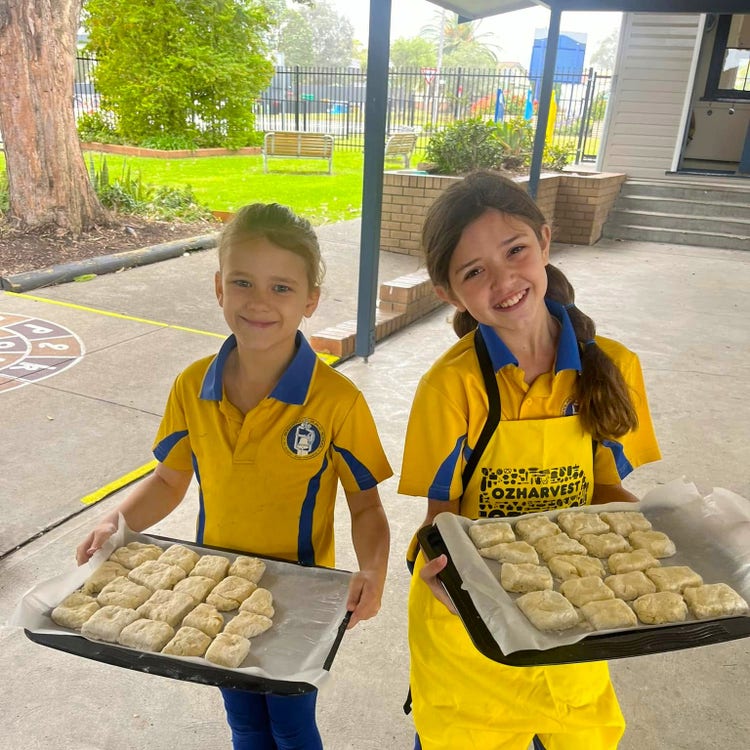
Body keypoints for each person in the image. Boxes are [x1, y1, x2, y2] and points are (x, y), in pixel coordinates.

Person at [76, 202, 393, 750]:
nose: (259, 302)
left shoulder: (338, 401)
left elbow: (365, 505)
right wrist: (117, 520)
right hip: (212, 591)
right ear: (219, 288)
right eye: (243, 281)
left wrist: (374, 571)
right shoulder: (192, 385)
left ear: (311, 300)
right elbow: (170, 481)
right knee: (244, 722)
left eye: (282, 287)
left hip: (299, 598)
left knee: (292, 726)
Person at [398, 170, 661, 750]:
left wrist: (651, 533)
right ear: (448, 292)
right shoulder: (450, 387)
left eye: (515, 250)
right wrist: (436, 565)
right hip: (473, 633)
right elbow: (439, 517)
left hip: (573, 614)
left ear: (544, 242)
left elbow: (606, 490)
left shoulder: (613, 368)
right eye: (474, 272)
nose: (504, 279)